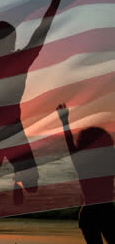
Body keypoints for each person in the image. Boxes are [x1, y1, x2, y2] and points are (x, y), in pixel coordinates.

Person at [0, 0, 74, 208]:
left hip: (13, 126)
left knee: (31, 185)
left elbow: (42, 31)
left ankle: (17, 181)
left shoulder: (19, 60)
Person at [56, 104, 115, 244]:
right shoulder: (109, 162)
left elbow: (70, 143)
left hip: (89, 214)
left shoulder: (82, 163)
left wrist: (65, 121)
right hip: (106, 212)